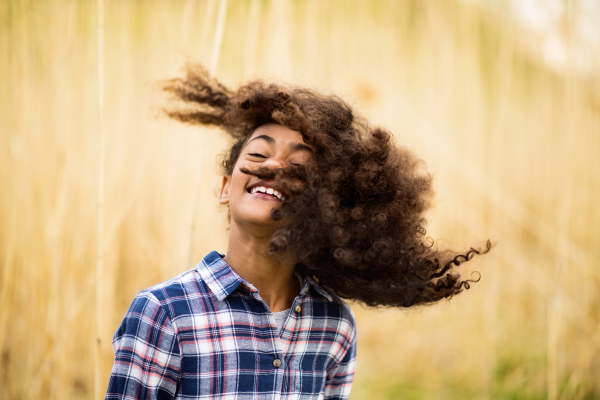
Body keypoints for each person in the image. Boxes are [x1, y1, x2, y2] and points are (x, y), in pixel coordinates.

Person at [105, 64, 490, 400]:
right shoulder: (163, 313)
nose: (273, 166)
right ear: (225, 187)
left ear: (325, 207)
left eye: (298, 166)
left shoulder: (334, 324)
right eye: (257, 154)